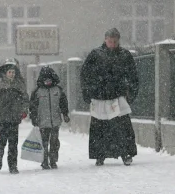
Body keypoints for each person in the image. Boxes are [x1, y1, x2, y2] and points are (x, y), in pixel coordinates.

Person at [80, 28, 139, 166]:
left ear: (118, 41)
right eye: (110, 41)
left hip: (117, 96)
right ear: (105, 40)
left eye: (114, 41)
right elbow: (85, 74)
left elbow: (133, 76)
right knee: (100, 128)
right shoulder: (95, 54)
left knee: (122, 127)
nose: (112, 44)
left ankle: (126, 153)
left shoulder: (125, 55)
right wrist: (88, 91)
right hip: (99, 96)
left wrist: (130, 93)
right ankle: (99, 155)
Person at [0, 59, 29, 174]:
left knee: (13, 144)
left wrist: (24, 111)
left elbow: (25, 99)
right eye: (10, 72)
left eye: (13, 72)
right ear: (5, 72)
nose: (12, 74)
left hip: (14, 119)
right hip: (1, 119)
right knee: (1, 142)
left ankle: (13, 166)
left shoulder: (19, 85)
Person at [29, 66, 70, 170]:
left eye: (49, 79)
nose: (48, 81)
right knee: (44, 143)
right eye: (46, 79)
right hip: (42, 121)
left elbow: (63, 103)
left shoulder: (58, 90)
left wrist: (65, 114)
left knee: (54, 142)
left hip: (55, 121)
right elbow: (33, 107)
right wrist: (34, 118)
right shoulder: (37, 91)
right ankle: (44, 161)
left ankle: (53, 160)